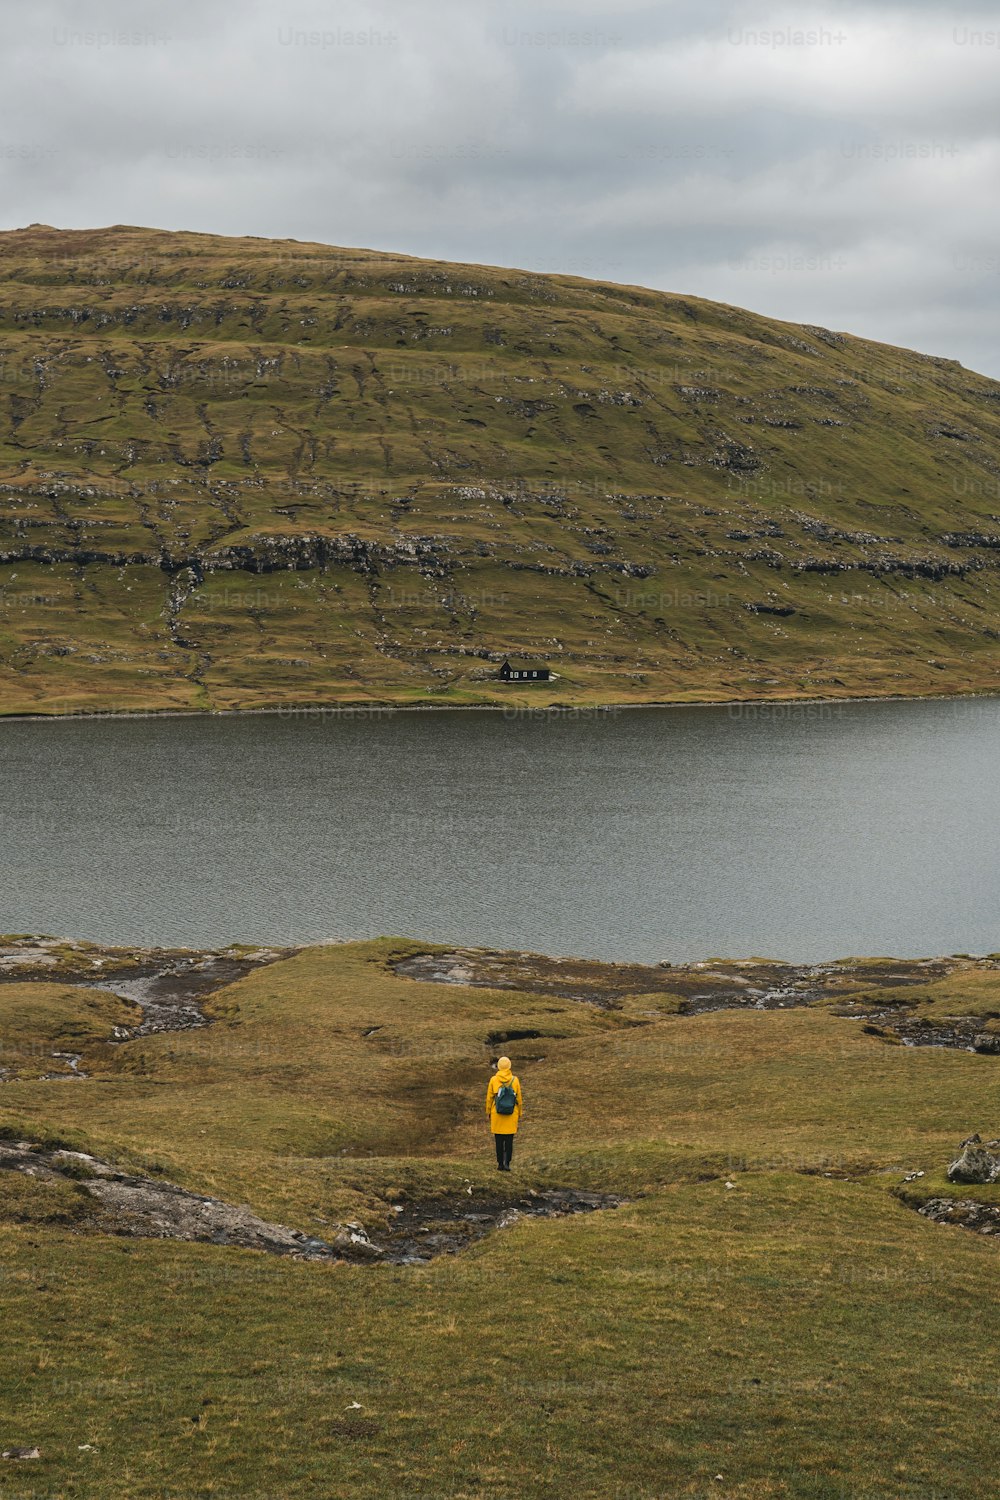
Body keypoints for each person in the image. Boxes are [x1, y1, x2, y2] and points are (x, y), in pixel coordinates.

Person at [485, 1055, 523, 1171]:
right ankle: (507, 1164)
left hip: (497, 1114)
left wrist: (488, 1112)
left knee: (499, 1141)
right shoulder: (515, 1080)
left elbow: (489, 1098)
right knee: (509, 1141)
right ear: (509, 1066)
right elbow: (519, 1100)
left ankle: (500, 1164)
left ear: (499, 1067)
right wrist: (519, 1113)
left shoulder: (494, 1080)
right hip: (511, 1114)